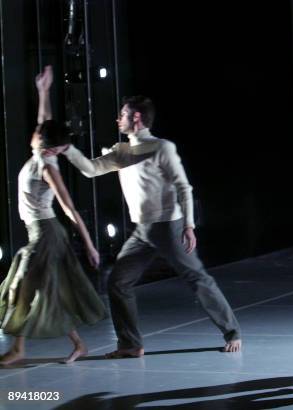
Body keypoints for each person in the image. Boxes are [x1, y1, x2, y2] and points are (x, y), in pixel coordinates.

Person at [47, 96, 241, 357]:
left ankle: (232, 332)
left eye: (122, 115)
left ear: (136, 118)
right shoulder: (123, 152)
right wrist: (67, 149)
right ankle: (130, 344)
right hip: (142, 231)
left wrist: (189, 226)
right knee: (118, 282)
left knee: (196, 278)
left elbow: (184, 186)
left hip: (168, 227)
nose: (118, 119)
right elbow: (90, 169)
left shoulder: (162, 148)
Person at [0, 66, 106, 365]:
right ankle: (77, 345)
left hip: (46, 233)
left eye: (40, 138)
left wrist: (89, 245)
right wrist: (43, 90)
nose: (34, 136)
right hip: (38, 232)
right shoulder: (40, 146)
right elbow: (43, 121)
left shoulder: (48, 167)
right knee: (45, 291)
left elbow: (70, 209)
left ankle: (19, 349)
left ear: (52, 150)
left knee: (24, 285)